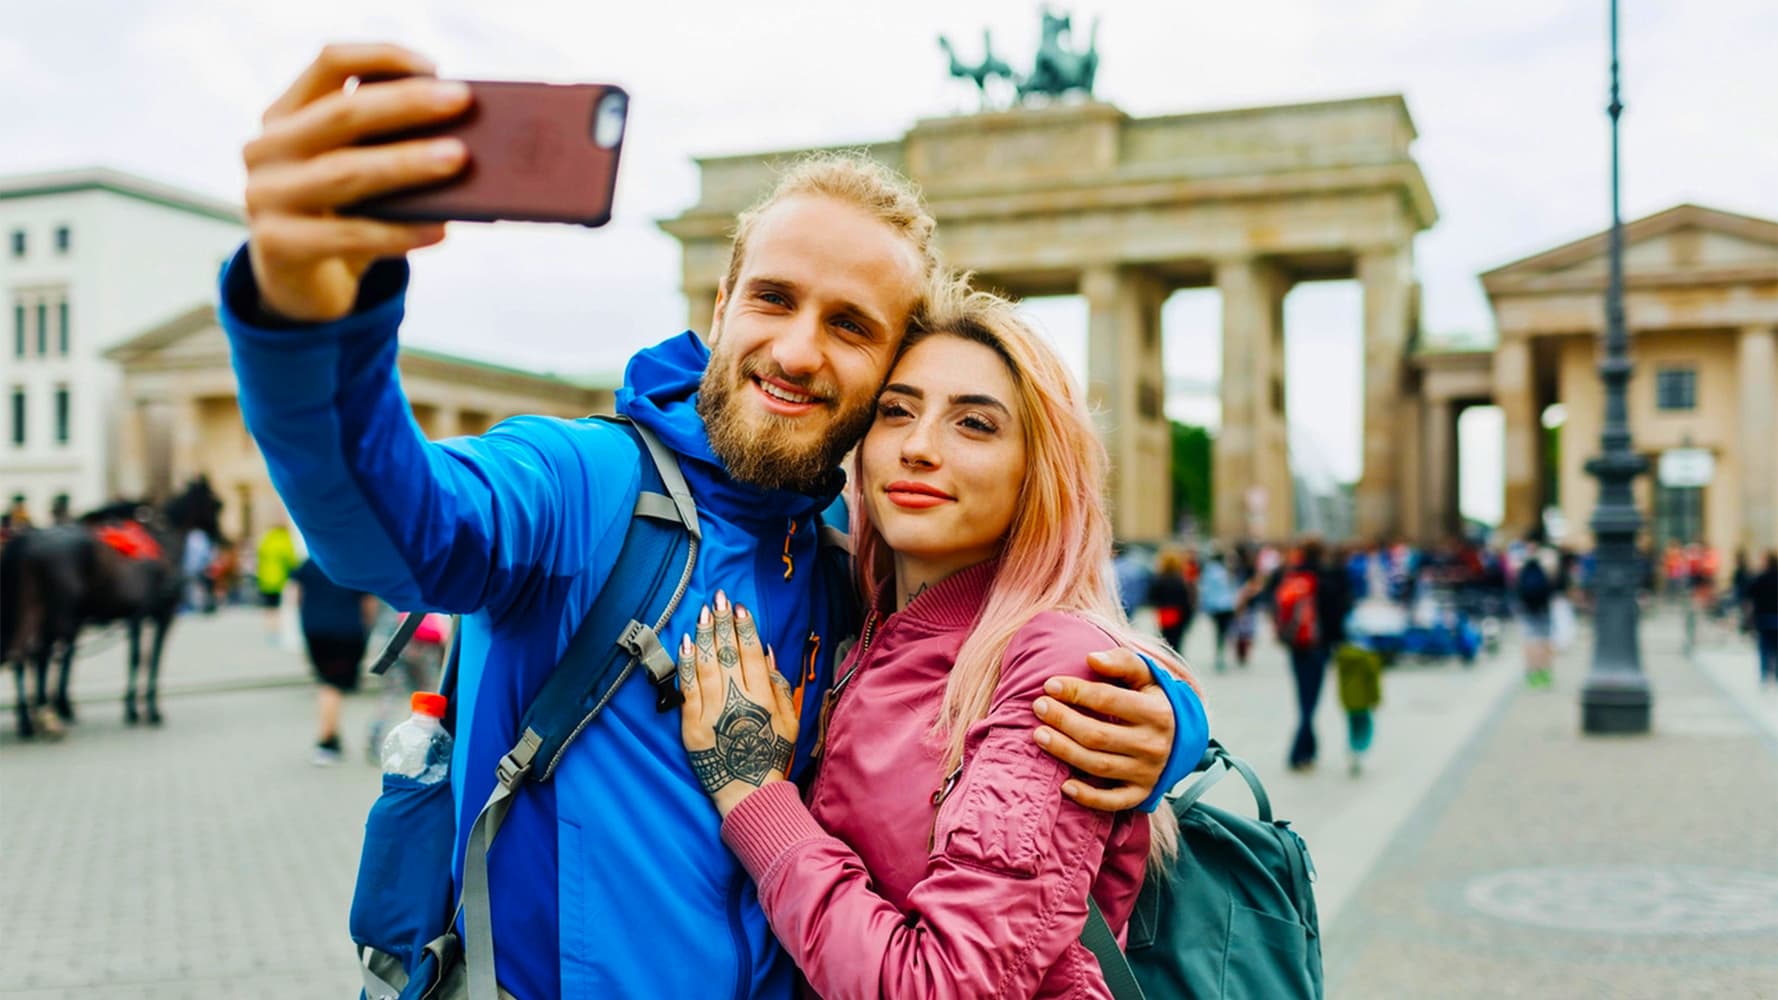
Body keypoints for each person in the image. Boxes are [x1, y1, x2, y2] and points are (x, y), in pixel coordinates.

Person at [221, 44, 1203, 998]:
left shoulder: (839, 559)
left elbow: (986, 642)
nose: (796, 348)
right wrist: (304, 314)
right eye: (772, 298)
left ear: (887, 369)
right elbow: (391, 528)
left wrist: (1157, 718)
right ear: (721, 302)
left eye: (850, 325)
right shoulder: (585, 485)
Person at [677, 283, 1206, 998]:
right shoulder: (857, 614)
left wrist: (754, 796)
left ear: (1038, 471)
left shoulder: (1055, 668)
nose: (920, 447)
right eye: (896, 412)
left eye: (975, 425)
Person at [289, 557, 376, 764]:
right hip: (347, 631)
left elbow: (297, 594)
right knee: (333, 685)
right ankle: (326, 741)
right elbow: (368, 603)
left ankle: (332, 736)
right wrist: (368, 629)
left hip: (315, 629)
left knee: (327, 683)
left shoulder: (309, 562)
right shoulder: (354, 562)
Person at [1275, 539, 1350, 771]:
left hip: (1298, 644)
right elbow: (1341, 609)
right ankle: (1300, 752)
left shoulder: (1293, 575)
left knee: (1303, 696)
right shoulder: (1329, 577)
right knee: (1310, 700)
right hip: (1319, 644)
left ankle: (1308, 749)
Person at [1516, 539, 1556, 689]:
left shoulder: (1521, 564)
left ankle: (1532, 674)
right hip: (1543, 608)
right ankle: (1545, 673)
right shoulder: (1546, 562)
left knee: (1530, 641)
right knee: (1544, 640)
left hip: (1527, 608)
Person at [1147, 548, 1195, 656]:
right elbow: (1186, 601)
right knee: (1177, 642)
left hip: (1165, 613)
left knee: (1165, 642)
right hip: (1179, 614)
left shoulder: (1159, 579)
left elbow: (1152, 597)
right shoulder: (1181, 580)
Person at [1198, 548, 1237, 671]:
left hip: (1214, 606)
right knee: (1224, 631)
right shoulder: (1225, 571)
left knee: (1218, 631)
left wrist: (1204, 607)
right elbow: (1231, 589)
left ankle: (1219, 653)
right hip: (1226, 605)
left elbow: (1205, 590)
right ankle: (1221, 653)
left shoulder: (1208, 572)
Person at [1750, 552, 1778, 687]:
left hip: (1763, 617)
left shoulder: (1760, 578)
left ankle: (1765, 675)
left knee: (1764, 648)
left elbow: (1750, 594)